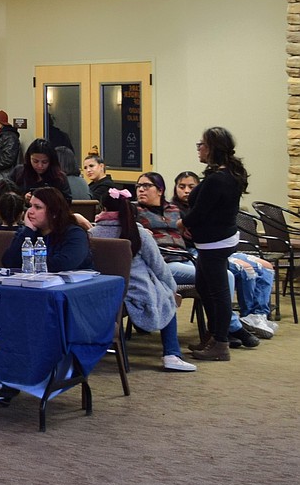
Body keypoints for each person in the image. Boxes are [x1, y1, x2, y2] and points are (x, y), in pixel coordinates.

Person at [144, 170, 274, 344]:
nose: (141, 190)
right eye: (139, 186)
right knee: (230, 272)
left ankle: (252, 316)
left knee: (263, 266)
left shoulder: (173, 210)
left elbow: (191, 229)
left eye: (147, 186)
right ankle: (231, 328)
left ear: (160, 190)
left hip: (193, 254)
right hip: (172, 259)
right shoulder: (137, 211)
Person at [89, 187, 197, 372]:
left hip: (105, 293)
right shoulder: (137, 232)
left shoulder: (92, 233)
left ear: (103, 208)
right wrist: (171, 288)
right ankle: (171, 354)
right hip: (139, 290)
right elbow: (158, 265)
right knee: (166, 298)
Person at [181, 127, 249, 362]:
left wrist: (182, 222)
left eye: (202, 144)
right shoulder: (229, 173)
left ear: (212, 148)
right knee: (204, 286)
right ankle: (213, 335)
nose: (199, 148)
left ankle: (221, 342)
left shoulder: (218, 180)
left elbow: (200, 212)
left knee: (217, 293)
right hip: (218, 239)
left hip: (215, 243)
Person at [2, 186, 93, 272]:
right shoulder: (27, 232)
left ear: (54, 212)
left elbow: (63, 264)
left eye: (37, 207)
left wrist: (26, 263)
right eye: (30, 206)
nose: (30, 211)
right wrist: (29, 230)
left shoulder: (75, 233)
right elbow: (8, 262)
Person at [9, 138, 73, 203]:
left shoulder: (59, 177)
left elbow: (67, 201)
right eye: (35, 161)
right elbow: (8, 195)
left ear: (51, 161)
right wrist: (23, 197)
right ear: (29, 158)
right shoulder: (19, 172)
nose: (40, 166)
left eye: (44, 162)